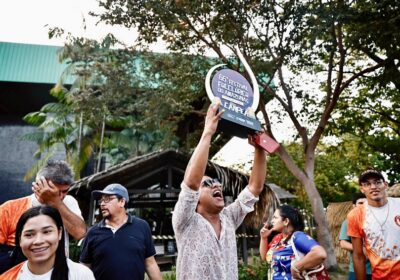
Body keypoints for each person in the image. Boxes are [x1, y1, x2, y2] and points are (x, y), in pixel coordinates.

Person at [171, 98, 267, 280]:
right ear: (195, 199)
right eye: (206, 184)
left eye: (216, 181)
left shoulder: (229, 218)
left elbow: (255, 187)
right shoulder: (185, 221)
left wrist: (259, 147)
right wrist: (208, 132)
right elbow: (191, 183)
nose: (216, 184)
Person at [0, 160, 86, 274]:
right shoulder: (9, 209)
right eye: (54, 191)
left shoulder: (68, 202)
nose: (60, 196)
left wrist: (55, 201)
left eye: (64, 191)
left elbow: (80, 233)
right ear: (38, 185)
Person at [79, 183, 162, 280]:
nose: (102, 203)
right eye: (101, 200)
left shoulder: (141, 227)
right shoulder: (93, 232)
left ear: (122, 202)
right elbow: (84, 267)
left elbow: (150, 264)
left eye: (108, 199)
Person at [0, 205, 94, 279]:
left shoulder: (80, 275)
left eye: (47, 232)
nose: (38, 241)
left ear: (59, 233)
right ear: (20, 239)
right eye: (29, 235)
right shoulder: (8, 277)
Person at [347, 168, 400, 280]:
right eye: (367, 184)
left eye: (377, 182)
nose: (373, 187)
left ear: (385, 184)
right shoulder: (356, 215)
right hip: (380, 276)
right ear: (362, 189)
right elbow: (358, 256)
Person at [259, 205, 327, 280]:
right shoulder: (278, 238)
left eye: (275, 217)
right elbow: (265, 258)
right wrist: (263, 238)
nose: (272, 221)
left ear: (286, 221)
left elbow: (320, 253)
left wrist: (296, 267)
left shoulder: (297, 236)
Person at [339, 192, 372, 280]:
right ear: (354, 206)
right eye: (360, 203)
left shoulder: (376, 221)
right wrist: (361, 249)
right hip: (356, 268)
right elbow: (343, 243)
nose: (363, 205)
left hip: (377, 268)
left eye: (366, 203)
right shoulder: (348, 222)